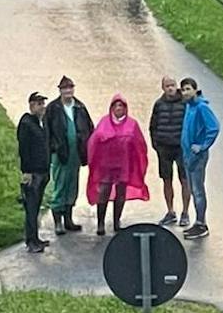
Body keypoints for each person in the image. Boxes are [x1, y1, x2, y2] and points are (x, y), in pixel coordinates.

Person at [86, 95, 149, 236]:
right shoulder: (104, 122)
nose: (119, 108)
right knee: (103, 193)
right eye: (116, 106)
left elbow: (140, 145)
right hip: (105, 165)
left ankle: (116, 221)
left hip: (124, 165)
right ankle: (100, 223)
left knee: (121, 194)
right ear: (111, 108)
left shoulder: (132, 124)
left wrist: (136, 164)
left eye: (121, 106)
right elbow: (93, 142)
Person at [46, 77, 94, 237]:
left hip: (76, 153)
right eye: (65, 88)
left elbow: (89, 127)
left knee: (73, 185)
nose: (68, 91)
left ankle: (68, 219)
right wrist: (52, 148)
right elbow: (48, 131)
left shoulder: (80, 107)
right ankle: (58, 221)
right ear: (60, 90)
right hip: (60, 153)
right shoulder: (53, 108)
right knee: (60, 185)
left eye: (70, 88)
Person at [179, 77, 219, 240]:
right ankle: (197, 222)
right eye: (183, 89)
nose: (185, 92)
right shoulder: (189, 106)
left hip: (198, 156)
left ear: (196, 90)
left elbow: (214, 127)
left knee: (198, 190)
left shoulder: (202, 107)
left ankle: (202, 224)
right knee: (193, 190)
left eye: (188, 89)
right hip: (187, 155)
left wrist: (202, 146)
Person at [148, 74, 191, 227]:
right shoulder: (159, 104)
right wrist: (156, 145)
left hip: (181, 148)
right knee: (167, 180)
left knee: (185, 180)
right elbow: (153, 125)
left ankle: (185, 212)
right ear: (163, 88)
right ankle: (170, 211)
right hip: (164, 148)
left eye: (172, 85)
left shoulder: (185, 103)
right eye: (167, 86)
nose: (171, 88)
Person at [16, 92, 50, 254]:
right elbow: (24, 150)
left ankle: (36, 238)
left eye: (43, 104)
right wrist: (26, 171)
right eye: (39, 104)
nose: (42, 107)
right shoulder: (26, 124)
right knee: (31, 207)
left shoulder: (40, 123)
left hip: (42, 170)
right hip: (33, 172)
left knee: (36, 207)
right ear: (31, 105)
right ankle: (31, 241)